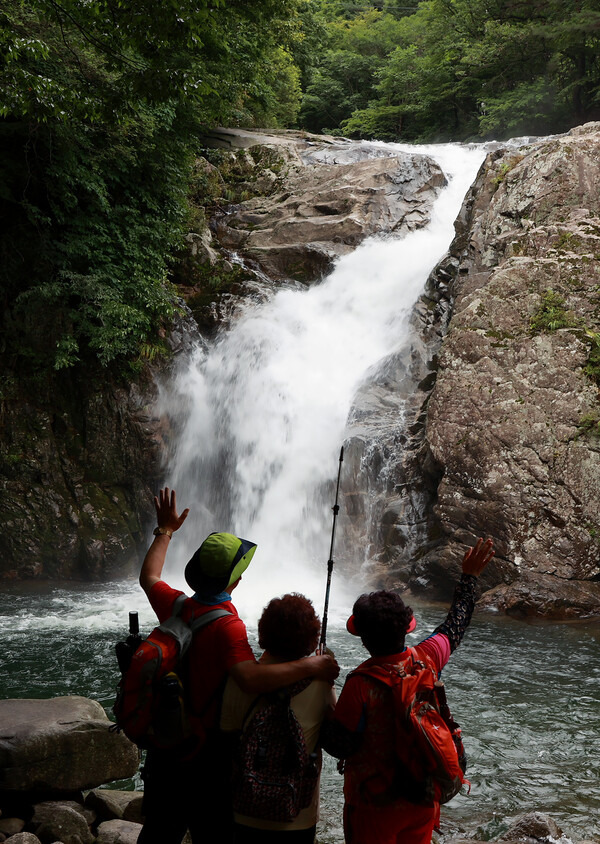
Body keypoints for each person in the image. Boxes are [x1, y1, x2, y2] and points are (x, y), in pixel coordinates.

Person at [136, 488, 339, 844]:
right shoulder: (228, 626)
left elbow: (149, 576)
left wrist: (165, 530)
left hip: (166, 742)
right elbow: (251, 677)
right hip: (206, 753)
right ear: (236, 580)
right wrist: (313, 666)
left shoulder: (176, 605)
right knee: (211, 832)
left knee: (158, 831)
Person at [321, 537, 495, 844]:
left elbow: (339, 744)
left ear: (363, 638)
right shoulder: (427, 658)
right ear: (407, 628)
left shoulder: (360, 684)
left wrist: (322, 689)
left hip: (372, 804)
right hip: (421, 797)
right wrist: (469, 578)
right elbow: (456, 623)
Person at [221, 593, 336, 844]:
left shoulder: (240, 681)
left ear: (263, 633)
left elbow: (227, 737)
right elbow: (336, 733)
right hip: (298, 815)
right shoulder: (321, 685)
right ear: (311, 638)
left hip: (243, 809)